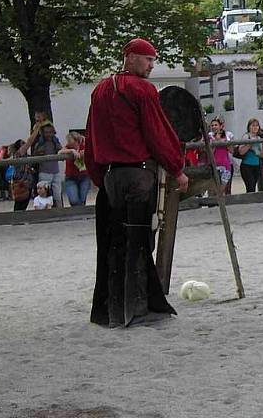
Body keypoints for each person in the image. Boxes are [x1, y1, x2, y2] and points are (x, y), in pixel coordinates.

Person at [86, 38, 189, 328]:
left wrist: (99, 176)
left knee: (114, 243)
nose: (152, 65)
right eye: (148, 59)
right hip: (137, 176)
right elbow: (157, 132)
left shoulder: (100, 90)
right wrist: (176, 168)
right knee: (139, 242)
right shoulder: (142, 90)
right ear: (130, 58)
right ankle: (139, 309)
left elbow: (92, 137)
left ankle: (112, 310)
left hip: (110, 177)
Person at [32, 122, 64, 208]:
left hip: (55, 171)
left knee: (57, 193)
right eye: (46, 132)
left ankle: (59, 210)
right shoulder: (40, 143)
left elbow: (61, 151)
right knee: (44, 193)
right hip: (44, 172)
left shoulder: (55, 142)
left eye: (50, 132)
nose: (48, 134)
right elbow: (35, 155)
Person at [61, 132, 91, 206]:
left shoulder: (84, 146)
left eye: (70, 141)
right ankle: (77, 213)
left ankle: (82, 215)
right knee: (74, 200)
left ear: (77, 141)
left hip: (84, 176)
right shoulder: (68, 147)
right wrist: (72, 151)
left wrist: (85, 152)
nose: (69, 143)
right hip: (71, 177)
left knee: (82, 199)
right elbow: (60, 152)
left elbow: (92, 149)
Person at [238, 118, 263, 193]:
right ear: (249, 127)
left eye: (257, 125)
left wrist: (258, 152)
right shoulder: (246, 136)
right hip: (246, 165)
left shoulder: (259, 138)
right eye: (253, 125)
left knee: (253, 186)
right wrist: (249, 145)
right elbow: (241, 152)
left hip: (256, 165)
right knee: (250, 186)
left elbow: (262, 154)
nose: (255, 127)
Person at [209, 117, 235, 193]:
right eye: (212, 125)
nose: (214, 127)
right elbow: (210, 153)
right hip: (213, 166)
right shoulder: (209, 137)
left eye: (216, 125)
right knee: (213, 190)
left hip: (225, 166)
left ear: (220, 126)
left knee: (222, 189)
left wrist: (224, 141)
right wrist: (216, 141)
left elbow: (231, 151)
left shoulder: (226, 136)